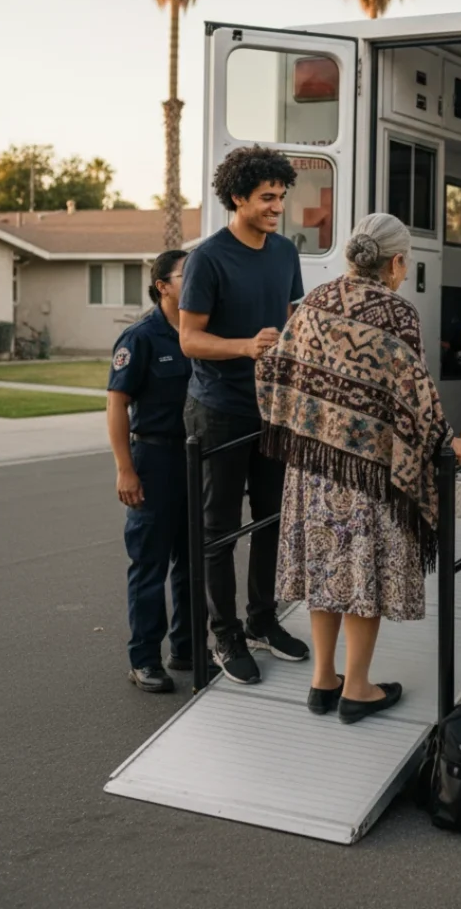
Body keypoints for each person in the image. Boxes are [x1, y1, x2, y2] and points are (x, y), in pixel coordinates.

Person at [255, 214, 461, 724]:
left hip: (313, 468)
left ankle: (321, 679)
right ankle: (357, 689)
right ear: (396, 262)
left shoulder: (313, 303)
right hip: (372, 472)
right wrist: (449, 442)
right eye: (407, 262)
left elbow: (274, 368)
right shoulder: (398, 313)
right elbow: (416, 400)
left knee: (326, 569)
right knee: (362, 572)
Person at [179, 145, 309, 685]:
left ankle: (261, 622)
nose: (277, 206)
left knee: (273, 521)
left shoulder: (284, 252)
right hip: (220, 411)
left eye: (281, 197)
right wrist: (244, 347)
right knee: (219, 530)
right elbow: (189, 339)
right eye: (267, 198)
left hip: (272, 411)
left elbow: (289, 317)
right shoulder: (208, 258)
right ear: (238, 198)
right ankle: (225, 634)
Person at [107, 249, 201, 693]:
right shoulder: (140, 337)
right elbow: (117, 404)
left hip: (197, 460)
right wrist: (125, 469)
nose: (196, 280)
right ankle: (144, 659)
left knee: (193, 560)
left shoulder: (203, 329)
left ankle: (185, 649)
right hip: (155, 457)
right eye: (187, 274)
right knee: (150, 564)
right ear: (162, 285)